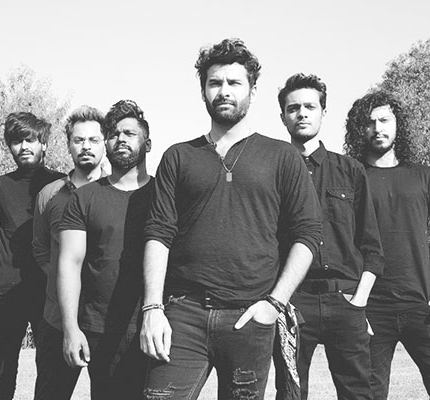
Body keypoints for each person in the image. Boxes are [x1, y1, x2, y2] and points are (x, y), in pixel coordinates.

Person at [140, 38, 322, 400]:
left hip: (251, 316)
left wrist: (274, 304)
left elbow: (308, 234)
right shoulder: (179, 156)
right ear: (203, 91)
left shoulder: (282, 156)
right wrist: (152, 308)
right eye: (215, 83)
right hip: (183, 314)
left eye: (234, 83)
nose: (224, 91)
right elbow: (158, 234)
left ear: (252, 91)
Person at [344, 90, 430, 400]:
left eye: (384, 120)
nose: (377, 128)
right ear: (359, 129)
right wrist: (351, 303)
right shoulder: (349, 178)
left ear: (398, 124)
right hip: (370, 310)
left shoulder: (425, 176)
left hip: (424, 307)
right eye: (369, 122)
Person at [276, 73, 384, 400]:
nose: (302, 113)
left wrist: (359, 300)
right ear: (282, 116)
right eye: (293, 108)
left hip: (346, 298)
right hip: (293, 301)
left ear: (323, 112)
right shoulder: (272, 171)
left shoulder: (351, 170)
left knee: (358, 393)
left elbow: (371, 245)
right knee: (290, 393)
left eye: (310, 106)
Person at [57, 100, 153, 399]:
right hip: (100, 329)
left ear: (148, 144)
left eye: (130, 133)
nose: (120, 139)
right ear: (106, 144)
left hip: (154, 326)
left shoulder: (165, 195)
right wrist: (71, 328)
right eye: (113, 134)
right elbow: (69, 263)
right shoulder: (84, 198)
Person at [0, 112, 64, 400]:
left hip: (49, 294)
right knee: (1, 382)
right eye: (17, 141)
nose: (24, 147)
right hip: (8, 295)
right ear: (10, 146)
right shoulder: (0, 186)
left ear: (44, 143)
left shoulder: (61, 184)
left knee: (51, 380)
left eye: (30, 140)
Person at [32, 105, 108, 399]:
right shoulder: (49, 195)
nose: (86, 146)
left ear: (104, 143)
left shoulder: (118, 192)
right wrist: (63, 280)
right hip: (57, 320)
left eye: (93, 140)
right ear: (68, 145)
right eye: (79, 140)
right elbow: (40, 249)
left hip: (106, 320)